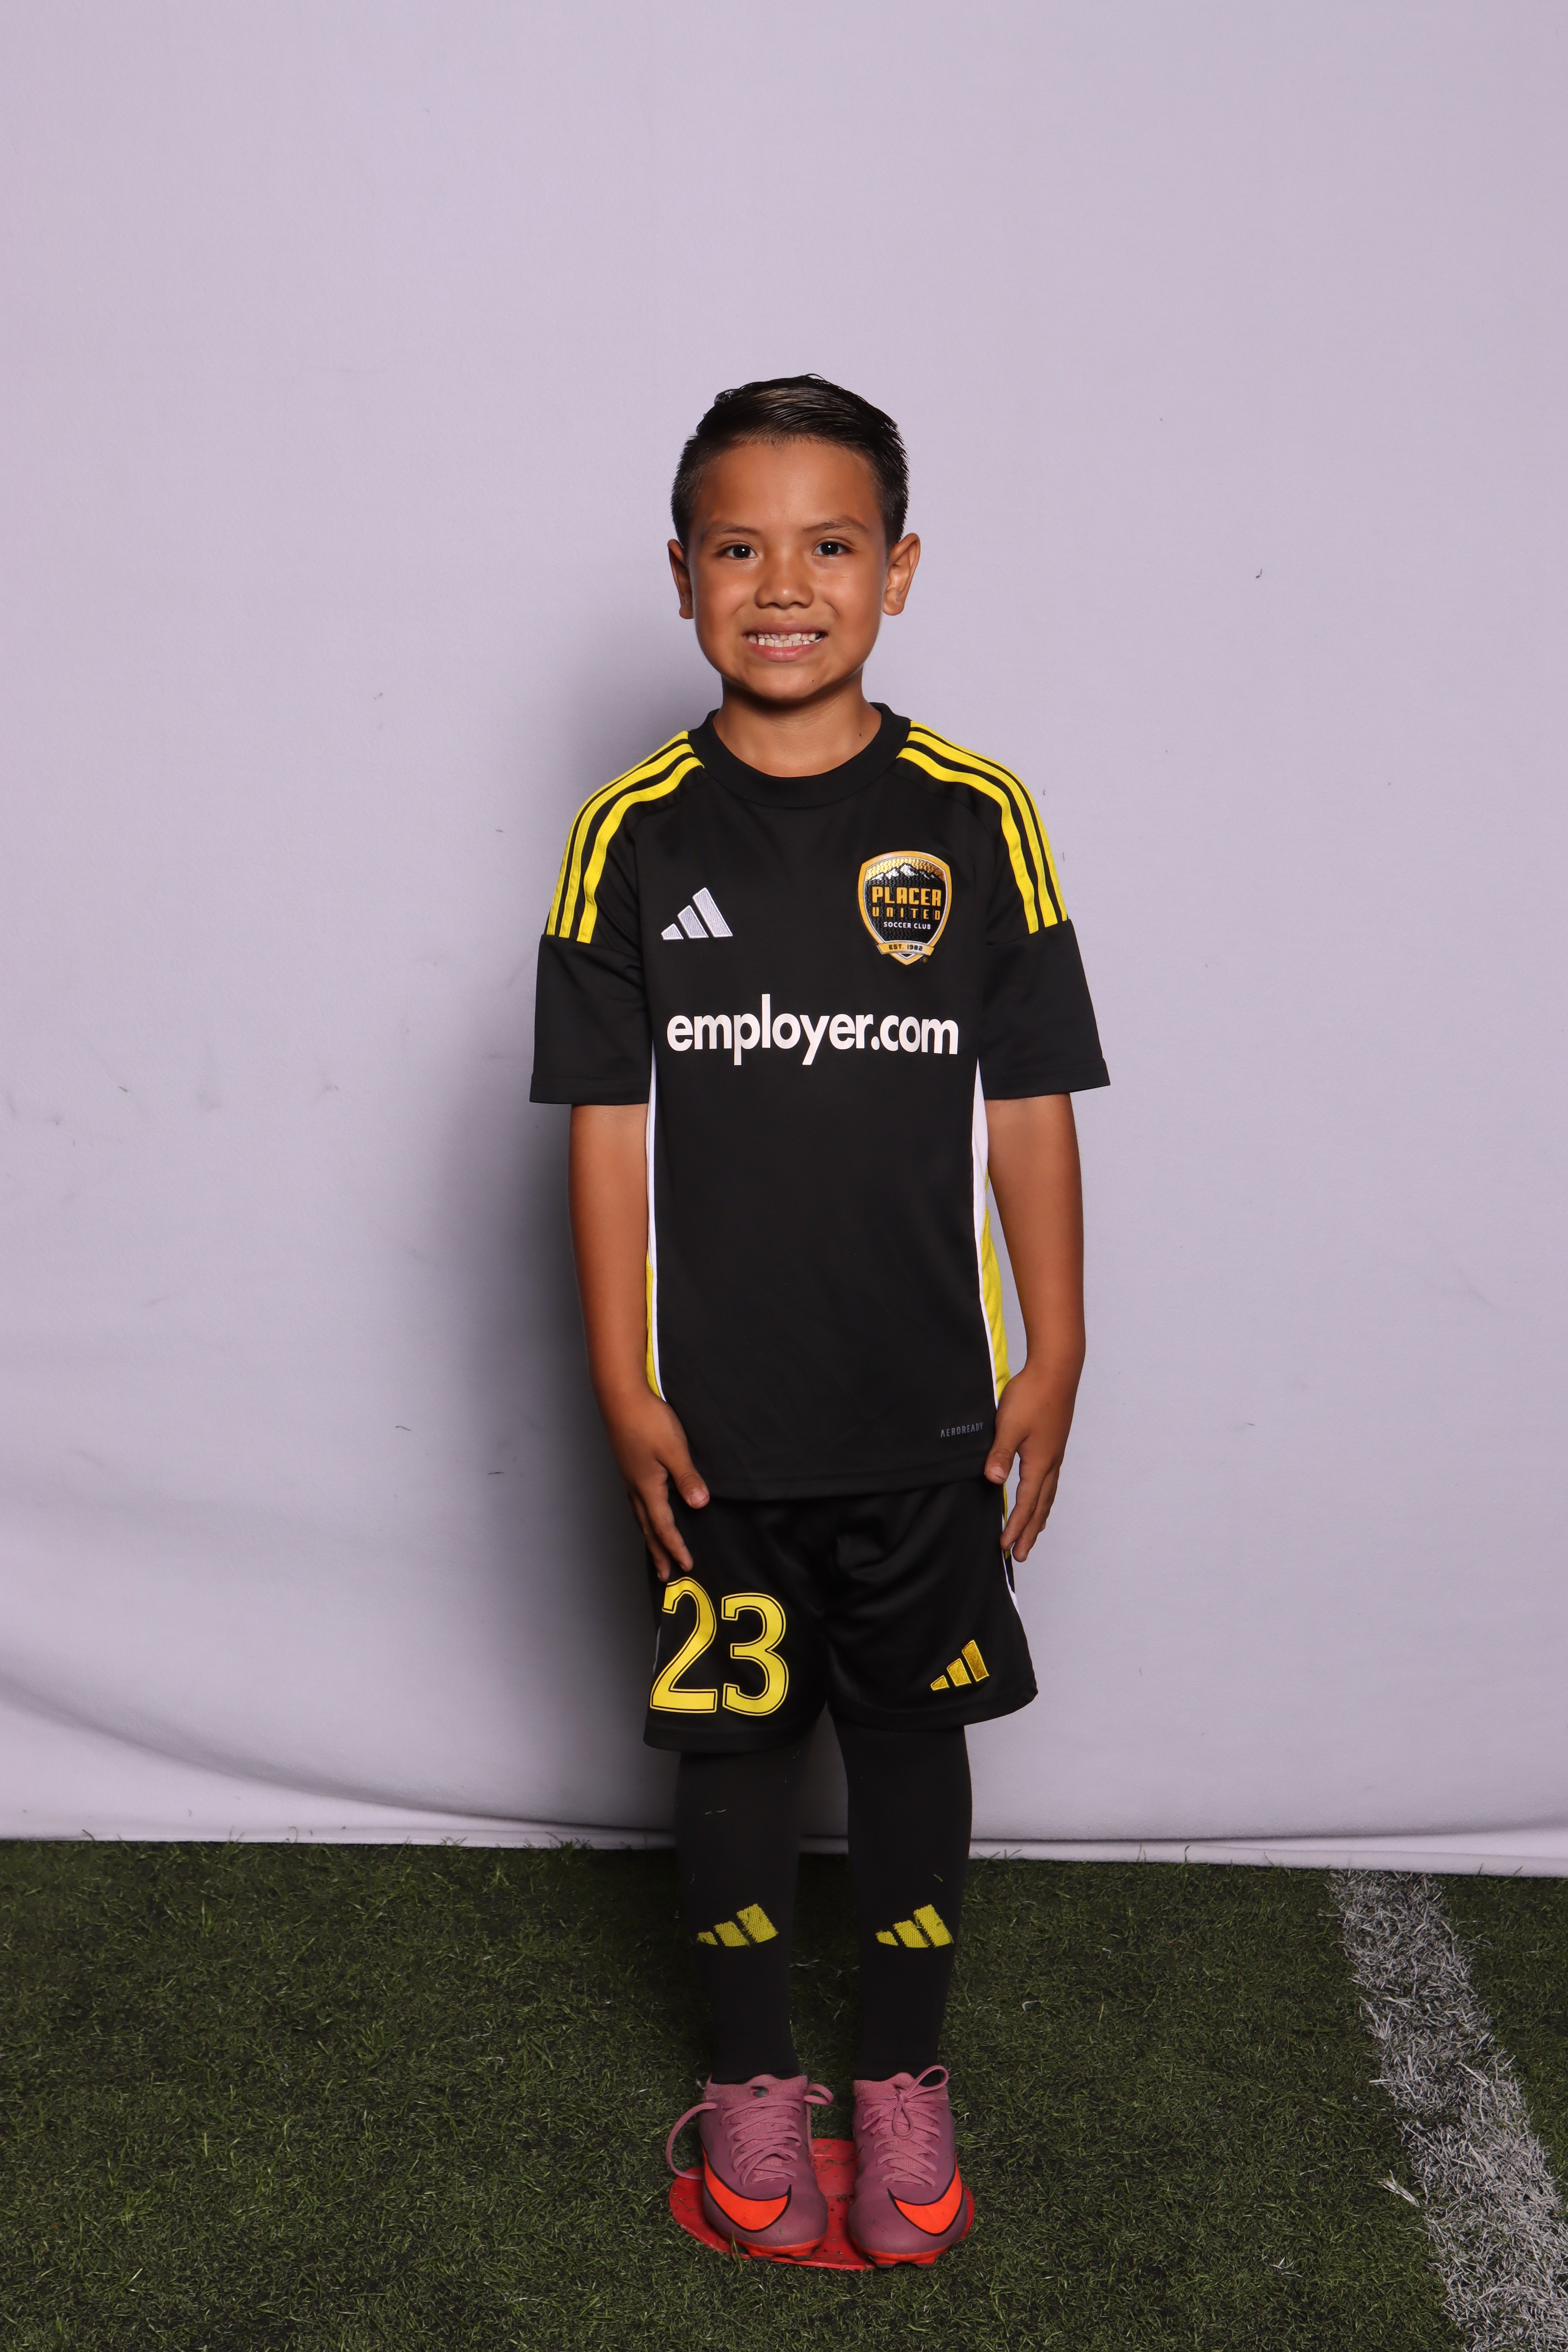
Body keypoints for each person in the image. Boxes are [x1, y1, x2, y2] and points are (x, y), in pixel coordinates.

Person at [530, 375, 1108, 2265]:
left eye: (832, 544)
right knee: (736, 1753)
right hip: (721, 1430)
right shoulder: (628, 834)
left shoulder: (977, 816)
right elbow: (605, 1132)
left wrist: (1056, 1348)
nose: (786, 585)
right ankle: (757, 2091)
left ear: (901, 569)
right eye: (741, 547)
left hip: (927, 1415)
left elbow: (1029, 1105)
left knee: (917, 1747)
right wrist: (622, 1380)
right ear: (683, 575)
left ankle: (905, 2086)